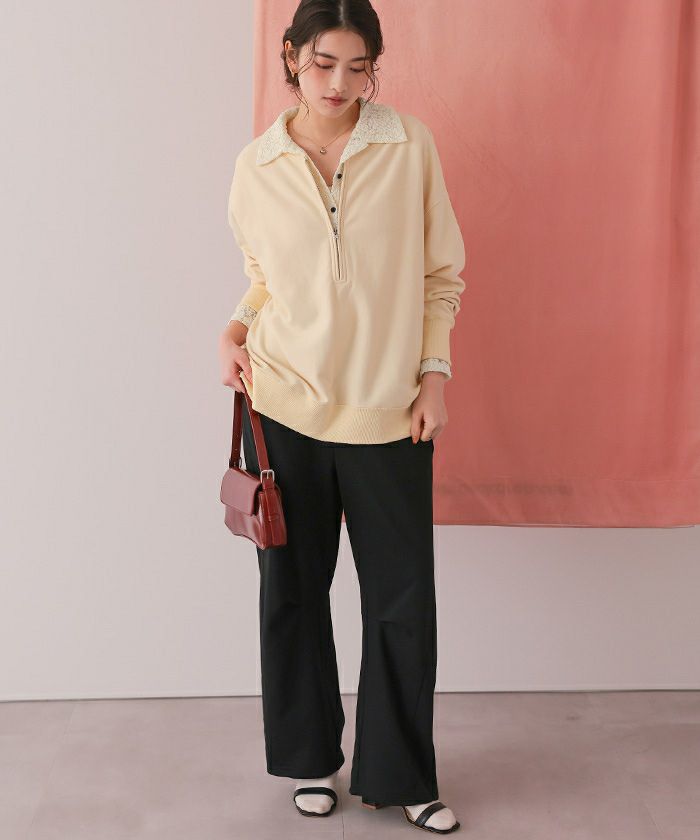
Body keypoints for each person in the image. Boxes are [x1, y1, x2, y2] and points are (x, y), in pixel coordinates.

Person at [218, 1, 466, 834]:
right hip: (285, 405)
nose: (339, 84)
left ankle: (403, 773)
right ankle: (310, 760)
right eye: (323, 63)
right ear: (292, 56)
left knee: (402, 600)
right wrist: (233, 327)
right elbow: (264, 279)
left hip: (388, 410)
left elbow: (439, 276)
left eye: (357, 68)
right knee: (292, 595)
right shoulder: (257, 165)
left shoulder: (409, 146)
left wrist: (433, 375)